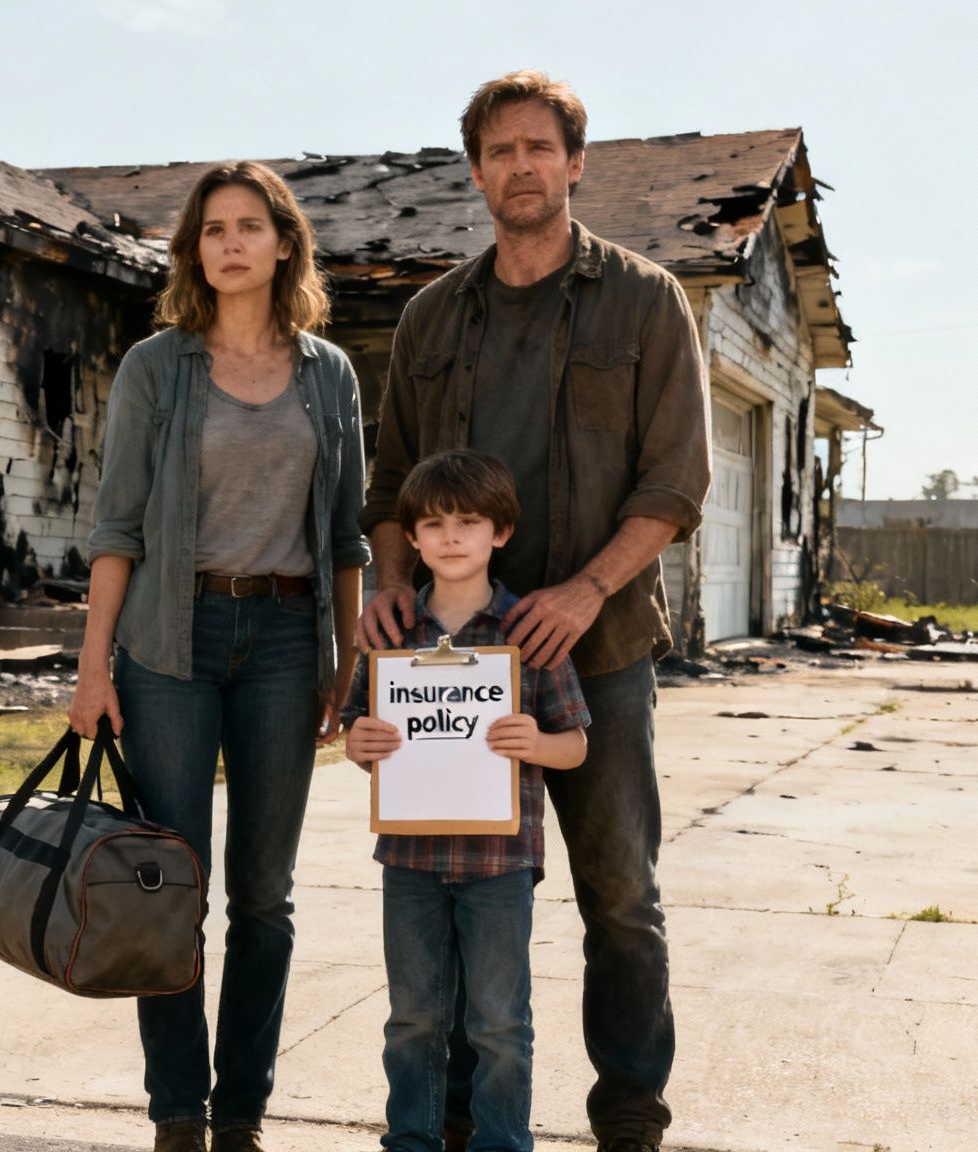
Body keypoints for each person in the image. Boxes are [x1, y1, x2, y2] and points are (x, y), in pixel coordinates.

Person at [358, 71, 712, 1152]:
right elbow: (390, 484)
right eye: (501, 150)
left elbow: (675, 481)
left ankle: (629, 1118)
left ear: (575, 162)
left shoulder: (645, 300)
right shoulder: (430, 317)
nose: (521, 166)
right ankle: (461, 1123)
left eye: (539, 147)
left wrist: (586, 588)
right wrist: (387, 584)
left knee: (621, 897)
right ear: (476, 172)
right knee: (458, 896)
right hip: (453, 666)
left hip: (593, 653)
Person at [72, 161, 369, 1152]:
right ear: (193, 251)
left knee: (264, 898)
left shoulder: (329, 375)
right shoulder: (156, 368)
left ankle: (240, 1114)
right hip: (170, 639)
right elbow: (116, 527)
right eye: (212, 229)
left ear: (285, 244)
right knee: (167, 883)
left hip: (286, 640)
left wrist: (344, 657)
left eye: (249, 226)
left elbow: (345, 537)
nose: (230, 243)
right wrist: (93, 666)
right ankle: (177, 1114)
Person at [343, 449, 591, 1152]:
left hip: (499, 864)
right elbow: (361, 735)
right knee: (412, 1019)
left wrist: (535, 743)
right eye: (434, 523)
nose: (451, 536)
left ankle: (502, 1142)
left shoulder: (527, 634)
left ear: (500, 532)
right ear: (412, 538)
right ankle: (411, 1140)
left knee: (499, 1023)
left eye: (469, 522)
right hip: (408, 860)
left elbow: (576, 745)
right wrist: (361, 745)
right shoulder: (392, 637)